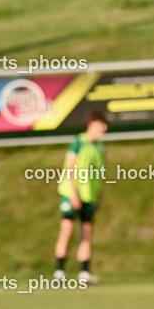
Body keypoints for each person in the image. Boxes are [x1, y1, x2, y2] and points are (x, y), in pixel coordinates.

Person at [54, 112, 108, 283]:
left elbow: (99, 173)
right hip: (72, 194)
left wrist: (98, 195)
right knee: (67, 231)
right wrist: (73, 194)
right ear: (91, 124)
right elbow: (69, 169)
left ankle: (84, 273)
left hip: (89, 196)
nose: (104, 128)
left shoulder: (100, 147)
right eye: (101, 124)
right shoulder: (79, 142)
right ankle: (59, 272)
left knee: (86, 233)